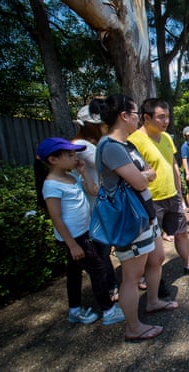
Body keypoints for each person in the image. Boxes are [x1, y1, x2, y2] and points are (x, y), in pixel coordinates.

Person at [97, 94, 175, 341]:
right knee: (131, 276)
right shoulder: (110, 147)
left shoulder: (127, 145)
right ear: (123, 116)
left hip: (145, 213)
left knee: (157, 257)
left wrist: (145, 175)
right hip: (130, 219)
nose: (136, 118)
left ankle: (152, 301)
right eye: (133, 113)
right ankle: (133, 328)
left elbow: (144, 175)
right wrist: (146, 175)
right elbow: (141, 179)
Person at [34, 137, 125, 326]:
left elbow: (93, 190)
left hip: (83, 233)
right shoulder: (51, 185)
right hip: (74, 238)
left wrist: (83, 172)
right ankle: (108, 311)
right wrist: (73, 244)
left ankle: (74, 310)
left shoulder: (72, 177)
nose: (75, 157)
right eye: (69, 155)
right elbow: (56, 218)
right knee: (98, 270)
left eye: (75, 153)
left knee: (74, 273)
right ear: (53, 160)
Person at [128, 98, 189, 275]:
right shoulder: (134, 140)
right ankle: (148, 277)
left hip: (172, 195)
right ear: (146, 117)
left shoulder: (166, 137)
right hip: (149, 199)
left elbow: (173, 164)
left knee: (181, 232)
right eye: (161, 117)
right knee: (152, 240)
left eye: (167, 117)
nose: (166, 121)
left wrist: (180, 193)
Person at [71, 100, 118, 302]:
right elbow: (107, 163)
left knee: (103, 249)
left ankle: (110, 285)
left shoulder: (87, 145)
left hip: (95, 203)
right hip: (91, 205)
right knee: (101, 250)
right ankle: (109, 287)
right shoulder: (82, 146)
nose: (103, 128)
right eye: (100, 125)